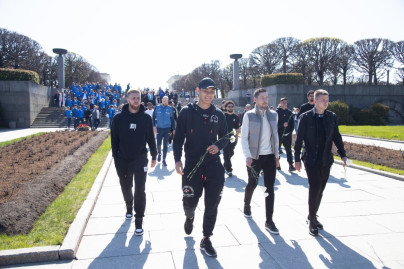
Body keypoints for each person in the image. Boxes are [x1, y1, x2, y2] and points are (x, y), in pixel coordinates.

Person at [173, 77, 228, 258]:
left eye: (212, 92)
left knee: (212, 204)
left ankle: (206, 238)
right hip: (192, 166)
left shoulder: (219, 114)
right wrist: (177, 160)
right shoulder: (186, 112)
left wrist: (218, 146)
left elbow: (226, 137)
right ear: (198, 91)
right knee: (189, 202)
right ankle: (189, 217)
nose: (209, 95)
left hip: (214, 167)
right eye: (206, 91)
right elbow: (178, 137)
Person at [294, 89, 347, 236]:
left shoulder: (331, 117)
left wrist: (342, 154)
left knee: (321, 190)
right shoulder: (305, 117)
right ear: (315, 101)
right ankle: (311, 219)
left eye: (327, 100)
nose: (326, 102)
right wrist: (296, 159)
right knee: (315, 186)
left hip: (326, 159)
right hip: (310, 158)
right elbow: (299, 140)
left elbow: (336, 136)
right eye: (323, 100)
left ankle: (313, 215)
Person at [110, 88, 157, 236]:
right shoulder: (118, 118)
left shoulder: (146, 118)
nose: (136, 100)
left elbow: (150, 138)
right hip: (123, 159)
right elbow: (114, 141)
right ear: (128, 99)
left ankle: (139, 219)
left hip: (140, 158)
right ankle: (129, 206)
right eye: (133, 98)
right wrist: (116, 158)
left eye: (138, 98)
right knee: (126, 187)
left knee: (140, 189)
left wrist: (154, 155)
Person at [241, 88, 280, 234]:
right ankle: (247, 204)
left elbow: (275, 137)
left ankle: (269, 221)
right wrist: (247, 156)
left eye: (266, 97)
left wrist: (277, 157)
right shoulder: (249, 116)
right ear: (255, 100)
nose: (265, 100)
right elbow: (244, 137)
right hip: (255, 157)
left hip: (269, 156)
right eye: (262, 97)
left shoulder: (274, 115)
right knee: (253, 183)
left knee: (270, 187)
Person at [152, 96, 176, 166]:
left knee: (165, 145)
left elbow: (172, 119)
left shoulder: (170, 108)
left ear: (168, 101)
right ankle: (159, 153)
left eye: (166, 101)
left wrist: (174, 129)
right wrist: (154, 126)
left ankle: (164, 159)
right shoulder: (157, 107)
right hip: (159, 128)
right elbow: (153, 117)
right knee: (158, 144)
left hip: (167, 128)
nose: (164, 102)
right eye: (163, 101)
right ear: (161, 100)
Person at [276, 97, 296, 172]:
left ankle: (291, 164)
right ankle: (277, 163)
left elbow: (292, 124)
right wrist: (282, 125)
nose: (285, 104)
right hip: (279, 134)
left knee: (289, 150)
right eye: (283, 102)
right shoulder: (277, 112)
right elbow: (275, 124)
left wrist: (290, 131)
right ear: (280, 103)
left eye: (286, 102)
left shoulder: (289, 112)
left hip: (287, 135)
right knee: (277, 150)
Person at [223, 100, 240, 177]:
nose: (231, 108)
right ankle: (229, 169)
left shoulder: (236, 117)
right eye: (229, 106)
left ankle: (225, 164)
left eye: (232, 106)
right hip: (224, 139)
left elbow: (237, 129)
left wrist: (237, 139)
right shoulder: (223, 116)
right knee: (226, 154)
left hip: (233, 139)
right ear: (226, 107)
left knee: (231, 153)